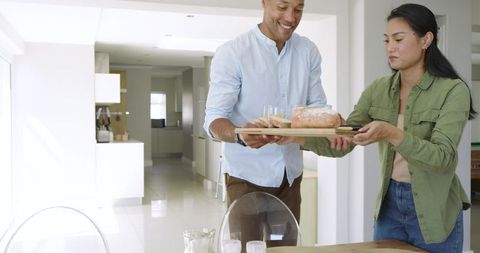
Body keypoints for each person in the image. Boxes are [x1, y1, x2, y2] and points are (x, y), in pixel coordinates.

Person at [296, 3, 477, 253]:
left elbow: (443, 158)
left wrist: (392, 133)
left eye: (398, 39)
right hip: (389, 206)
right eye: (386, 40)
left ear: (426, 40)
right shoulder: (378, 90)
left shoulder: (453, 91)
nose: (390, 47)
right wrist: (295, 138)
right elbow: (343, 142)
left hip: (435, 209)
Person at [203, 0, 327, 248]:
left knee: (285, 248)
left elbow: (317, 109)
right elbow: (213, 120)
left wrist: (327, 124)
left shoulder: (308, 51)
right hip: (245, 178)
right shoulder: (233, 52)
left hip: (290, 178)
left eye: (298, 9)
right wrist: (240, 135)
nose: (291, 17)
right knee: (246, 248)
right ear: (265, 3)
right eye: (282, 7)